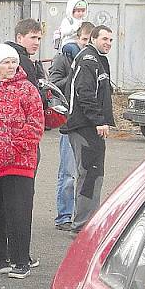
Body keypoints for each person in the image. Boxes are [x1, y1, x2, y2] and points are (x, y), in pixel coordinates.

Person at [0, 44, 45, 279]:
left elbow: (35, 123)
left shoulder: (27, 89)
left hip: (19, 163)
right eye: (6, 62)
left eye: (14, 62)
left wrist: (15, 148)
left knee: (19, 212)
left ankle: (20, 260)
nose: (12, 66)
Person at [61, 25, 115, 233]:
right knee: (89, 175)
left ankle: (87, 222)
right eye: (104, 39)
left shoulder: (97, 59)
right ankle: (83, 225)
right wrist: (98, 120)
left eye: (111, 40)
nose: (108, 43)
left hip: (88, 126)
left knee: (92, 175)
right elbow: (84, 93)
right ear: (93, 39)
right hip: (84, 127)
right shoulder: (88, 60)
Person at [48, 22, 94, 231]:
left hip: (87, 125)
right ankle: (63, 216)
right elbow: (53, 84)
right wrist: (75, 76)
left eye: (89, 40)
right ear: (77, 37)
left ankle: (81, 216)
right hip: (68, 122)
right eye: (84, 39)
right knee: (67, 173)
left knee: (85, 172)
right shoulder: (64, 57)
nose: (86, 44)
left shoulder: (94, 61)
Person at [7, 18, 46, 89]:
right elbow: (34, 96)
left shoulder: (5, 56)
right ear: (19, 38)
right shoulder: (23, 61)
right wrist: (41, 80)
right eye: (33, 37)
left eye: (39, 39)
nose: (37, 43)